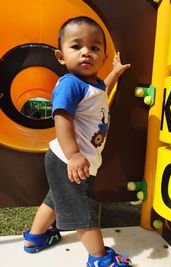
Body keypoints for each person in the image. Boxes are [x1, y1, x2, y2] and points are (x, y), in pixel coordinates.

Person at [23, 16, 132, 267]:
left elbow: (103, 88)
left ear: (103, 57)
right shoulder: (70, 84)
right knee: (83, 208)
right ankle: (100, 258)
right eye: (77, 47)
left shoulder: (92, 85)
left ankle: (35, 238)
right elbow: (61, 117)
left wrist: (115, 72)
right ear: (61, 57)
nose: (86, 53)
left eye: (94, 48)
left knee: (55, 200)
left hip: (71, 160)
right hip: (69, 159)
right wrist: (73, 155)